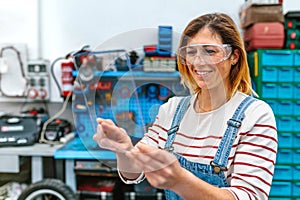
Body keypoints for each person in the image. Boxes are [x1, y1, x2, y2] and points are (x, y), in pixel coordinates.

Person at [93, 12, 277, 200]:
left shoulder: (255, 115)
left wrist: (181, 181)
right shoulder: (172, 110)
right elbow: (136, 172)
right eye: (191, 52)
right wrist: (123, 150)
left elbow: (248, 196)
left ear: (234, 56)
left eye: (210, 51)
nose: (198, 61)